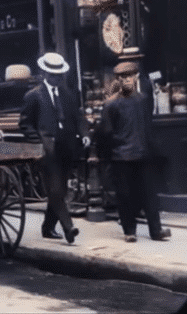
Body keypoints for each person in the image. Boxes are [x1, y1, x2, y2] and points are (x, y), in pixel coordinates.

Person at [96, 61, 172, 243]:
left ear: (136, 77)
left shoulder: (143, 100)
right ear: (117, 80)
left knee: (149, 195)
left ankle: (156, 231)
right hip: (122, 157)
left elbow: (147, 126)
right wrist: (108, 154)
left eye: (129, 76)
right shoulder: (111, 104)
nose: (126, 80)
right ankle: (130, 231)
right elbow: (105, 132)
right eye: (122, 77)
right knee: (125, 196)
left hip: (141, 155)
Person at [19, 52, 90, 244]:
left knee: (59, 190)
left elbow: (78, 117)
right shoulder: (33, 96)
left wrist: (84, 134)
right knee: (56, 190)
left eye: (59, 75)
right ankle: (69, 228)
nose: (56, 78)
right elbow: (25, 124)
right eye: (52, 75)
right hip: (46, 151)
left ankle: (48, 227)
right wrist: (38, 143)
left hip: (66, 148)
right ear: (44, 73)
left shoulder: (67, 95)